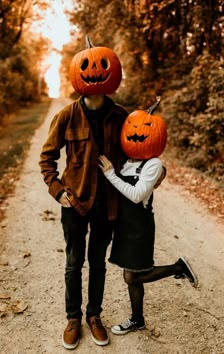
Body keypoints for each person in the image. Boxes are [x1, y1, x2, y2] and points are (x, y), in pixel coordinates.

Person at [39, 37, 130, 350]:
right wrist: (57, 190)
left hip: (108, 204)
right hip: (74, 202)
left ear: (111, 74)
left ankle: (94, 315)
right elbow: (47, 157)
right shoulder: (66, 116)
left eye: (102, 66)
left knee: (99, 263)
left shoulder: (121, 117)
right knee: (73, 263)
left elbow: (137, 155)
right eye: (89, 67)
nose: (95, 73)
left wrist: (152, 174)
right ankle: (73, 318)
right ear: (79, 75)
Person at [98, 148, 198, 335]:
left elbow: (136, 196)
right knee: (132, 277)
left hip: (139, 228)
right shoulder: (125, 161)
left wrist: (110, 174)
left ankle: (178, 268)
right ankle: (138, 320)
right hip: (123, 226)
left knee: (131, 276)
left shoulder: (152, 164)